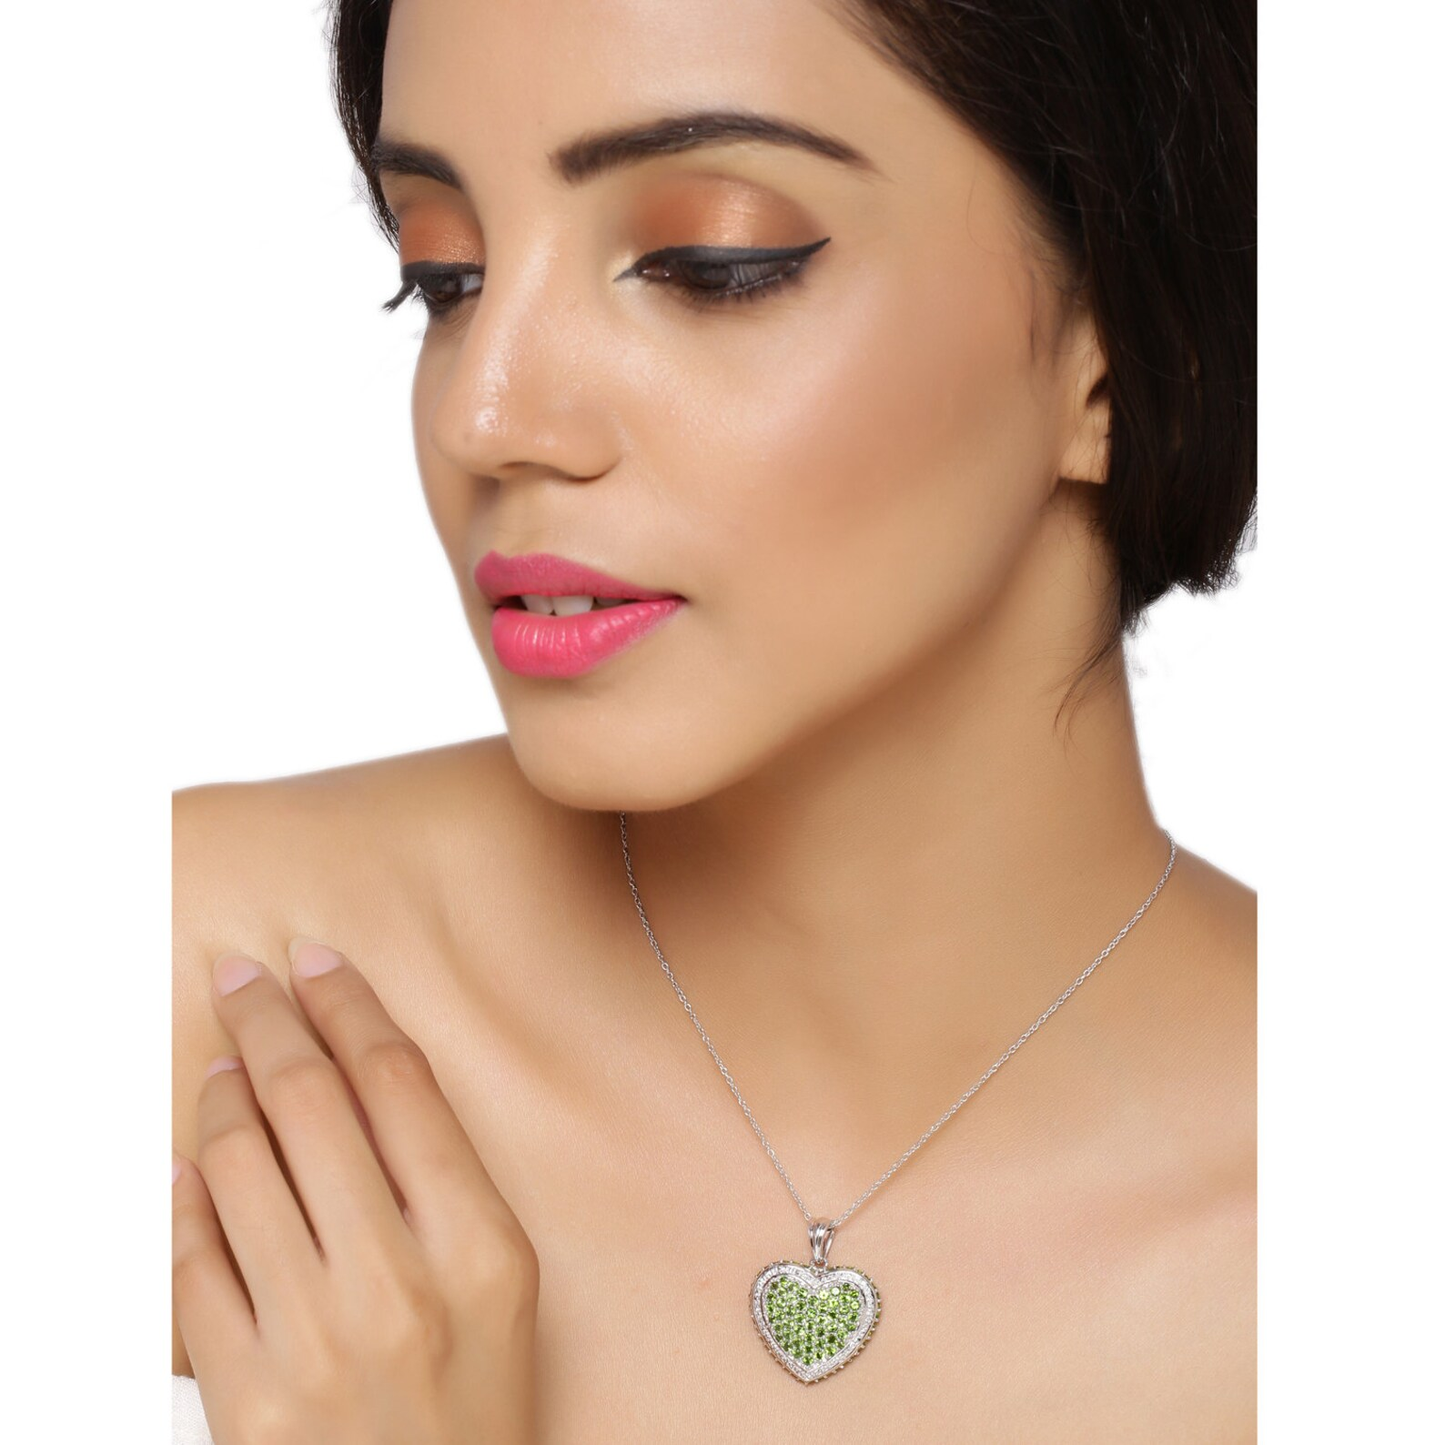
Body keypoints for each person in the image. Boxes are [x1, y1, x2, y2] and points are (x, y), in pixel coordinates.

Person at [171, 0, 1256, 1439]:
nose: (486, 414)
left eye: (710, 264)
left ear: (1118, 352)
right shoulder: (209, 1010)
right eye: (446, 277)